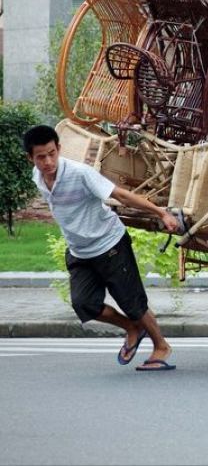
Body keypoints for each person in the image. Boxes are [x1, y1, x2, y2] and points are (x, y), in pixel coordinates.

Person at [23, 125, 180, 371]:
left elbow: (121, 195)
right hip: (79, 251)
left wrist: (161, 213)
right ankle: (131, 328)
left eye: (52, 153)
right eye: (41, 157)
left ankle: (161, 345)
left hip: (110, 245)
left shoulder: (80, 173)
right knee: (83, 303)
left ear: (59, 149)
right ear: (30, 158)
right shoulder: (37, 176)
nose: (48, 161)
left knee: (133, 303)